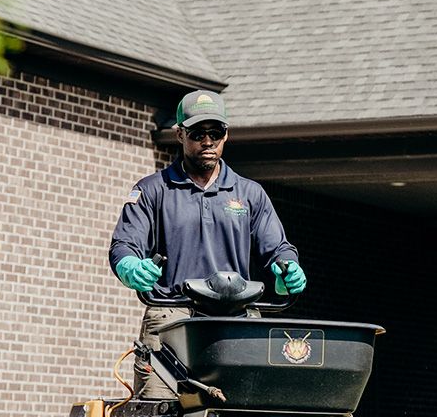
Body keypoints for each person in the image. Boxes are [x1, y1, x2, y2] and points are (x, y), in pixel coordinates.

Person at [109, 89, 307, 397]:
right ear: (179, 134)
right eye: (198, 132)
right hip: (172, 315)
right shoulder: (152, 191)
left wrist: (287, 269)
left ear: (226, 135)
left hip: (237, 316)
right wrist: (129, 266)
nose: (208, 141)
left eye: (216, 132)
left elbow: (277, 248)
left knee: (246, 410)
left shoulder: (250, 193)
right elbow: (124, 243)